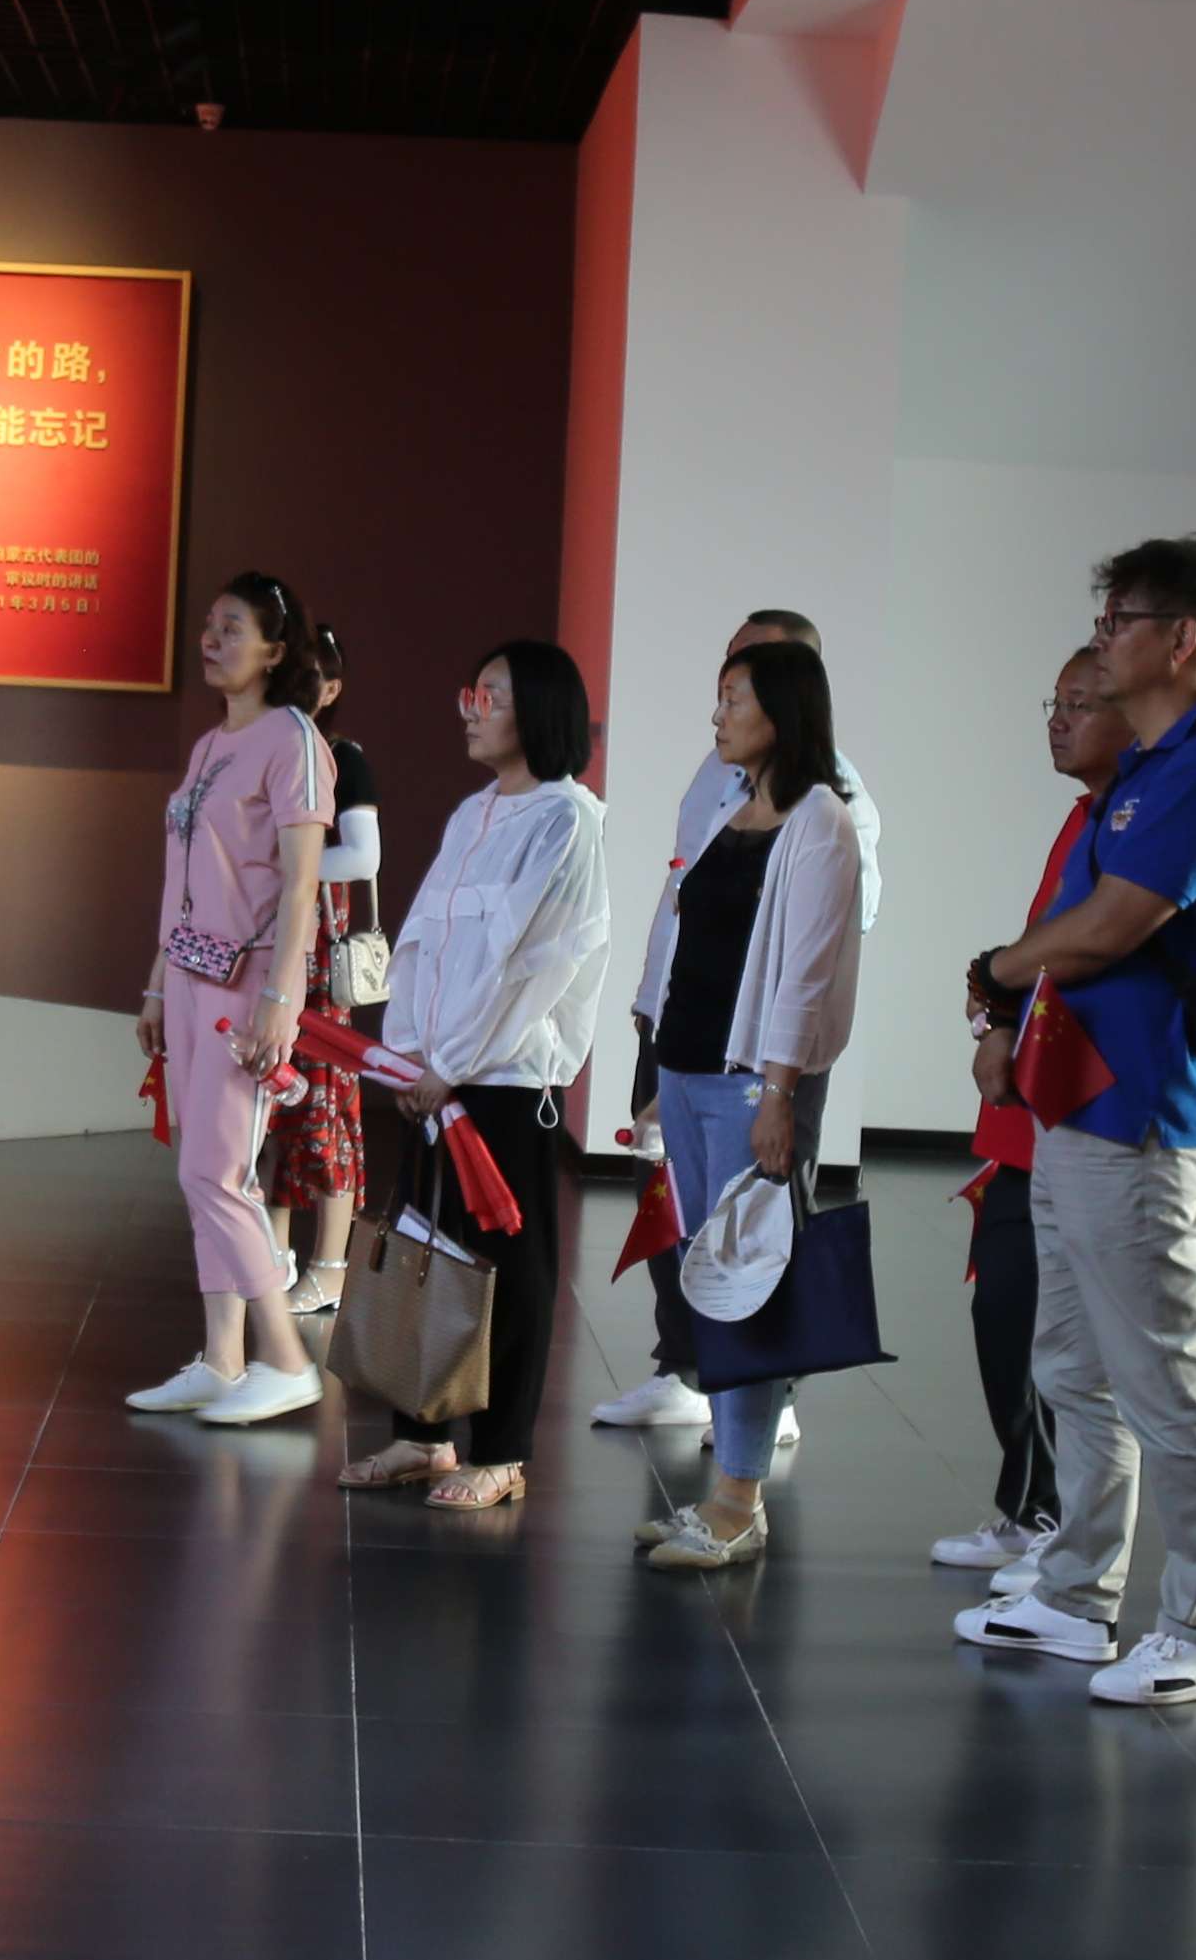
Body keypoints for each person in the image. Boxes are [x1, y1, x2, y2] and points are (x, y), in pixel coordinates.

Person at [950, 536, 1196, 1703]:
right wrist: (1011, 1004)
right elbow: (1078, 920)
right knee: (1074, 1366)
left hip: (1139, 1116)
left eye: (1120, 620)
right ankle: (1078, 1594)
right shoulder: (1146, 768)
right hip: (1077, 1104)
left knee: (1163, 1376)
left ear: (1181, 640)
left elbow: (1110, 925)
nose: (1102, 638)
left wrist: (998, 968)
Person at [597, 606, 881, 1438]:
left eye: (739, 690)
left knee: (753, 1243)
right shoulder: (722, 785)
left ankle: (760, 1418)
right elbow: (685, 899)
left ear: (790, 695)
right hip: (685, 1042)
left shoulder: (831, 810)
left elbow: (813, 958)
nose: (718, 711)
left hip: (756, 1062)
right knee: (684, 1229)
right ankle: (688, 1373)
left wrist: (780, 1087)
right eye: (723, 682)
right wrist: (654, 1015)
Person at [345, 643, 615, 1512]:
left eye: (490, 695)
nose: (470, 709)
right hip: (435, 1073)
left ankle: (502, 1453)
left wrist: (452, 1063)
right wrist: (408, 1050)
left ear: (537, 709)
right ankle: (422, 1433)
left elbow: (536, 967)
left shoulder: (567, 821)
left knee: (510, 1265)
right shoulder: (473, 813)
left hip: (502, 1079)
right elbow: (424, 940)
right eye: (473, 692)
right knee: (425, 1248)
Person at [935, 649, 1124, 1581]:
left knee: (1071, 1337)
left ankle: (1067, 1531)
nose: (1059, 718)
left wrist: (1003, 982)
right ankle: (1030, 1506)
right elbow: (1040, 949)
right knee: (1005, 1311)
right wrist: (1000, 1009)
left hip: (1092, 1108)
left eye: (1081, 704)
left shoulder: (1135, 825)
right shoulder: (1080, 819)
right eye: (1056, 700)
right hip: (1029, 1108)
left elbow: (1082, 953)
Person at [132, 573, 337, 1426]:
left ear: (275, 651)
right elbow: (183, 878)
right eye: (209, 626)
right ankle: (222, 1359)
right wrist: (156, 980)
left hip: (247, 985)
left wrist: (282, 998)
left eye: (231, 628)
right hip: (188, 977)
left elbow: (300, 886)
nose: (211, 641)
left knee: (216, 1172)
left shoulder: (294, 741)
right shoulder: (213, 744)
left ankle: (285, 1359)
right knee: (201, 1170)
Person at [260, 626, 380, 1314]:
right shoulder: (261, 750)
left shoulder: (342, 757)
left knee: (325, 1105)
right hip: (267, 949)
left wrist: (284, 872)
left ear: (332, 689)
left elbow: (363, 857)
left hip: (319, 960)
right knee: (270, 1109)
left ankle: (331, 1265)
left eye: (308, 678)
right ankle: (272, 1256)